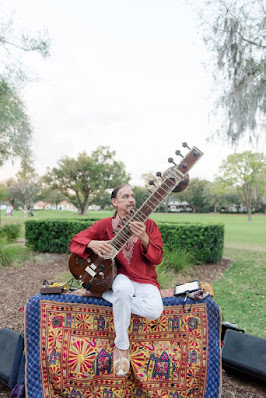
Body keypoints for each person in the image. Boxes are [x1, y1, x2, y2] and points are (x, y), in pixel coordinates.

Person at [69, 184, 164, 377]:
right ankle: (121, 346)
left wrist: (144, 237)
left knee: (154, 310)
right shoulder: (105, 225)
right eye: (125, 196)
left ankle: (103, 294)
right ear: (114, 202)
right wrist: (92, 243)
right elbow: (76, 241)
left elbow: (157, 258)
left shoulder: (149, 225)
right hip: (121, 276)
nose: (131, 199)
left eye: (133, 196)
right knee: (121, 290)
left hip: (145, 279)